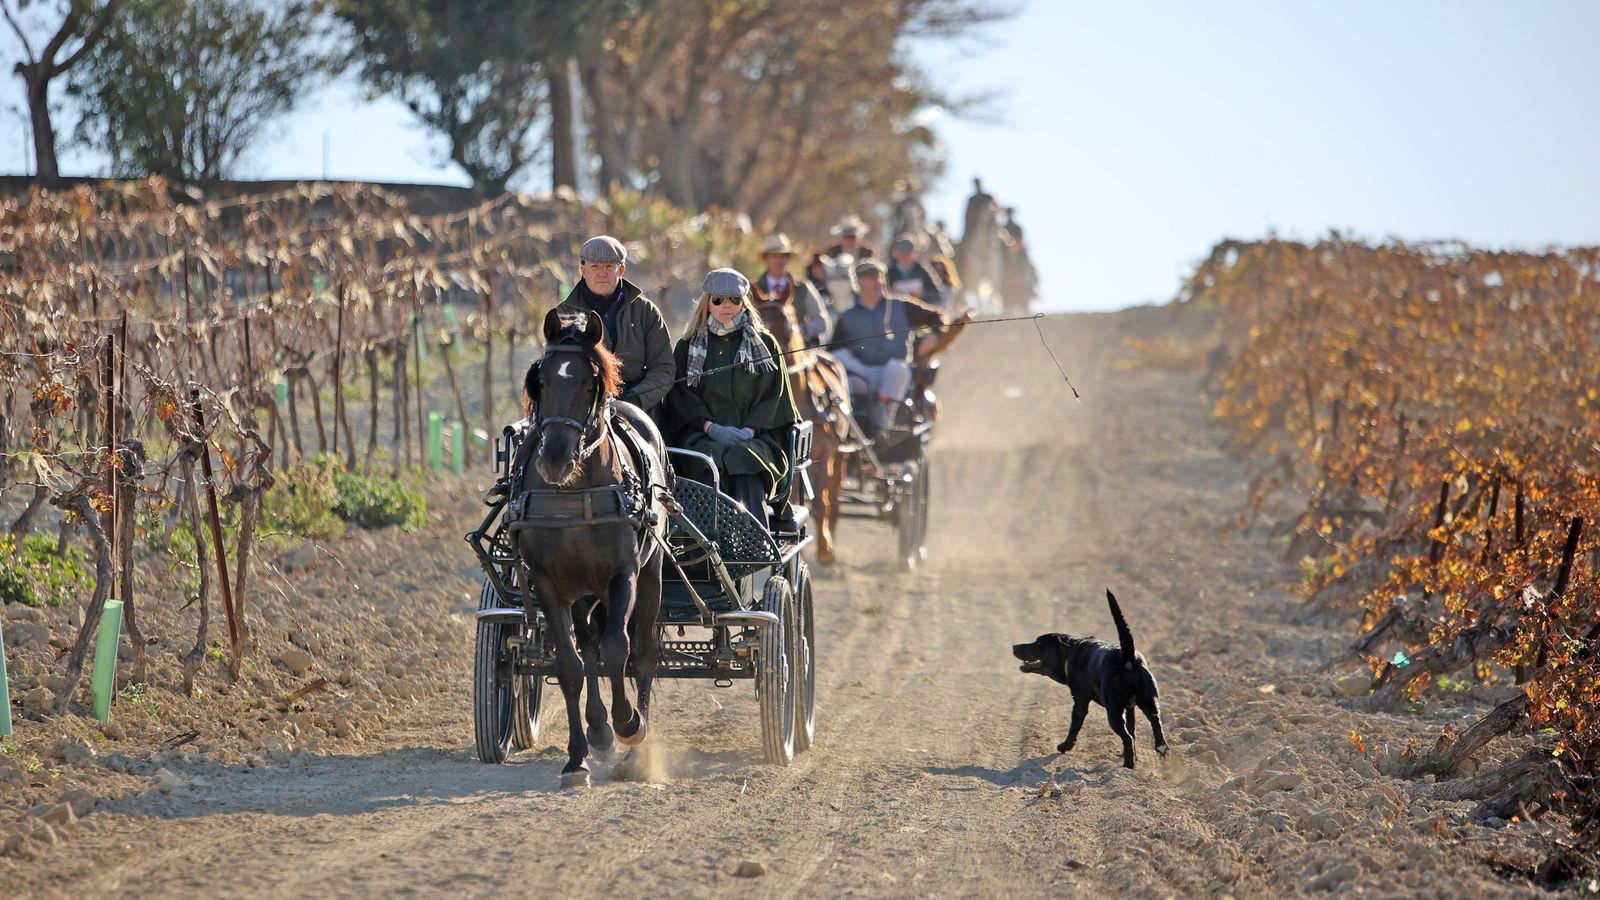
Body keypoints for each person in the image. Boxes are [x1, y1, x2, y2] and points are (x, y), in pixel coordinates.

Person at [662, 269, 802, 532]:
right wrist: (711, 428)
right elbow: (680, 398)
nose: (726, 305)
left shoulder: (765, 344)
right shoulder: (687, 347)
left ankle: (754, 539)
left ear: (743, 303)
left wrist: (749, 430)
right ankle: (696, 541)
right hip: (702, 437)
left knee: (744, 458)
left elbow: (775, 396)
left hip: (756, 438)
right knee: (706, 459)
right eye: (719, 300)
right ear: (707, 303)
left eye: (734, 300)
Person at [553, 235, 675, 414]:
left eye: (609, 266)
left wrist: (637, 399)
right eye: (595, 266)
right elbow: (558, 369)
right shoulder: (563, 315)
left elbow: (664, 368)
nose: (602, 273)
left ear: (622, 269)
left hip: (639, 408)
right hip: (582, 410)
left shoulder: (646, 311)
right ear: (583, 269)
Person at [831, 259, 948, 431]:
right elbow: (832, 349)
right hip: (861, 375)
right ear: (858, 283)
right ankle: (846, 422)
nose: (878, 282)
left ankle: (883, 420)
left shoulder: (902, 306)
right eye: (871, 278)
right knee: (837, 359)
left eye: (879, 277)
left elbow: (937, 316)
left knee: (897, 368)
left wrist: (935, 334)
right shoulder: (848, 316)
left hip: (891, 375)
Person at [752, 232, 831, 347]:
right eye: (774, 256)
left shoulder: (804, 287)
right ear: (766, 259)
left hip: (800, 350)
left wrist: (799, 330)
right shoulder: (753, 289)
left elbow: (822, 322)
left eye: (783, 256)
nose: (779, 260)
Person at [884, 234, 943, 308]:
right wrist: (890, 293)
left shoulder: (923, 270)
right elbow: (880, 295)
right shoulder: (889, 272)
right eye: (903, 254)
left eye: (909, 254)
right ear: (897, 254)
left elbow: (937, 296)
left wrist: (922, 295)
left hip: (918, 312)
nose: (906, 257)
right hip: (896, 311)